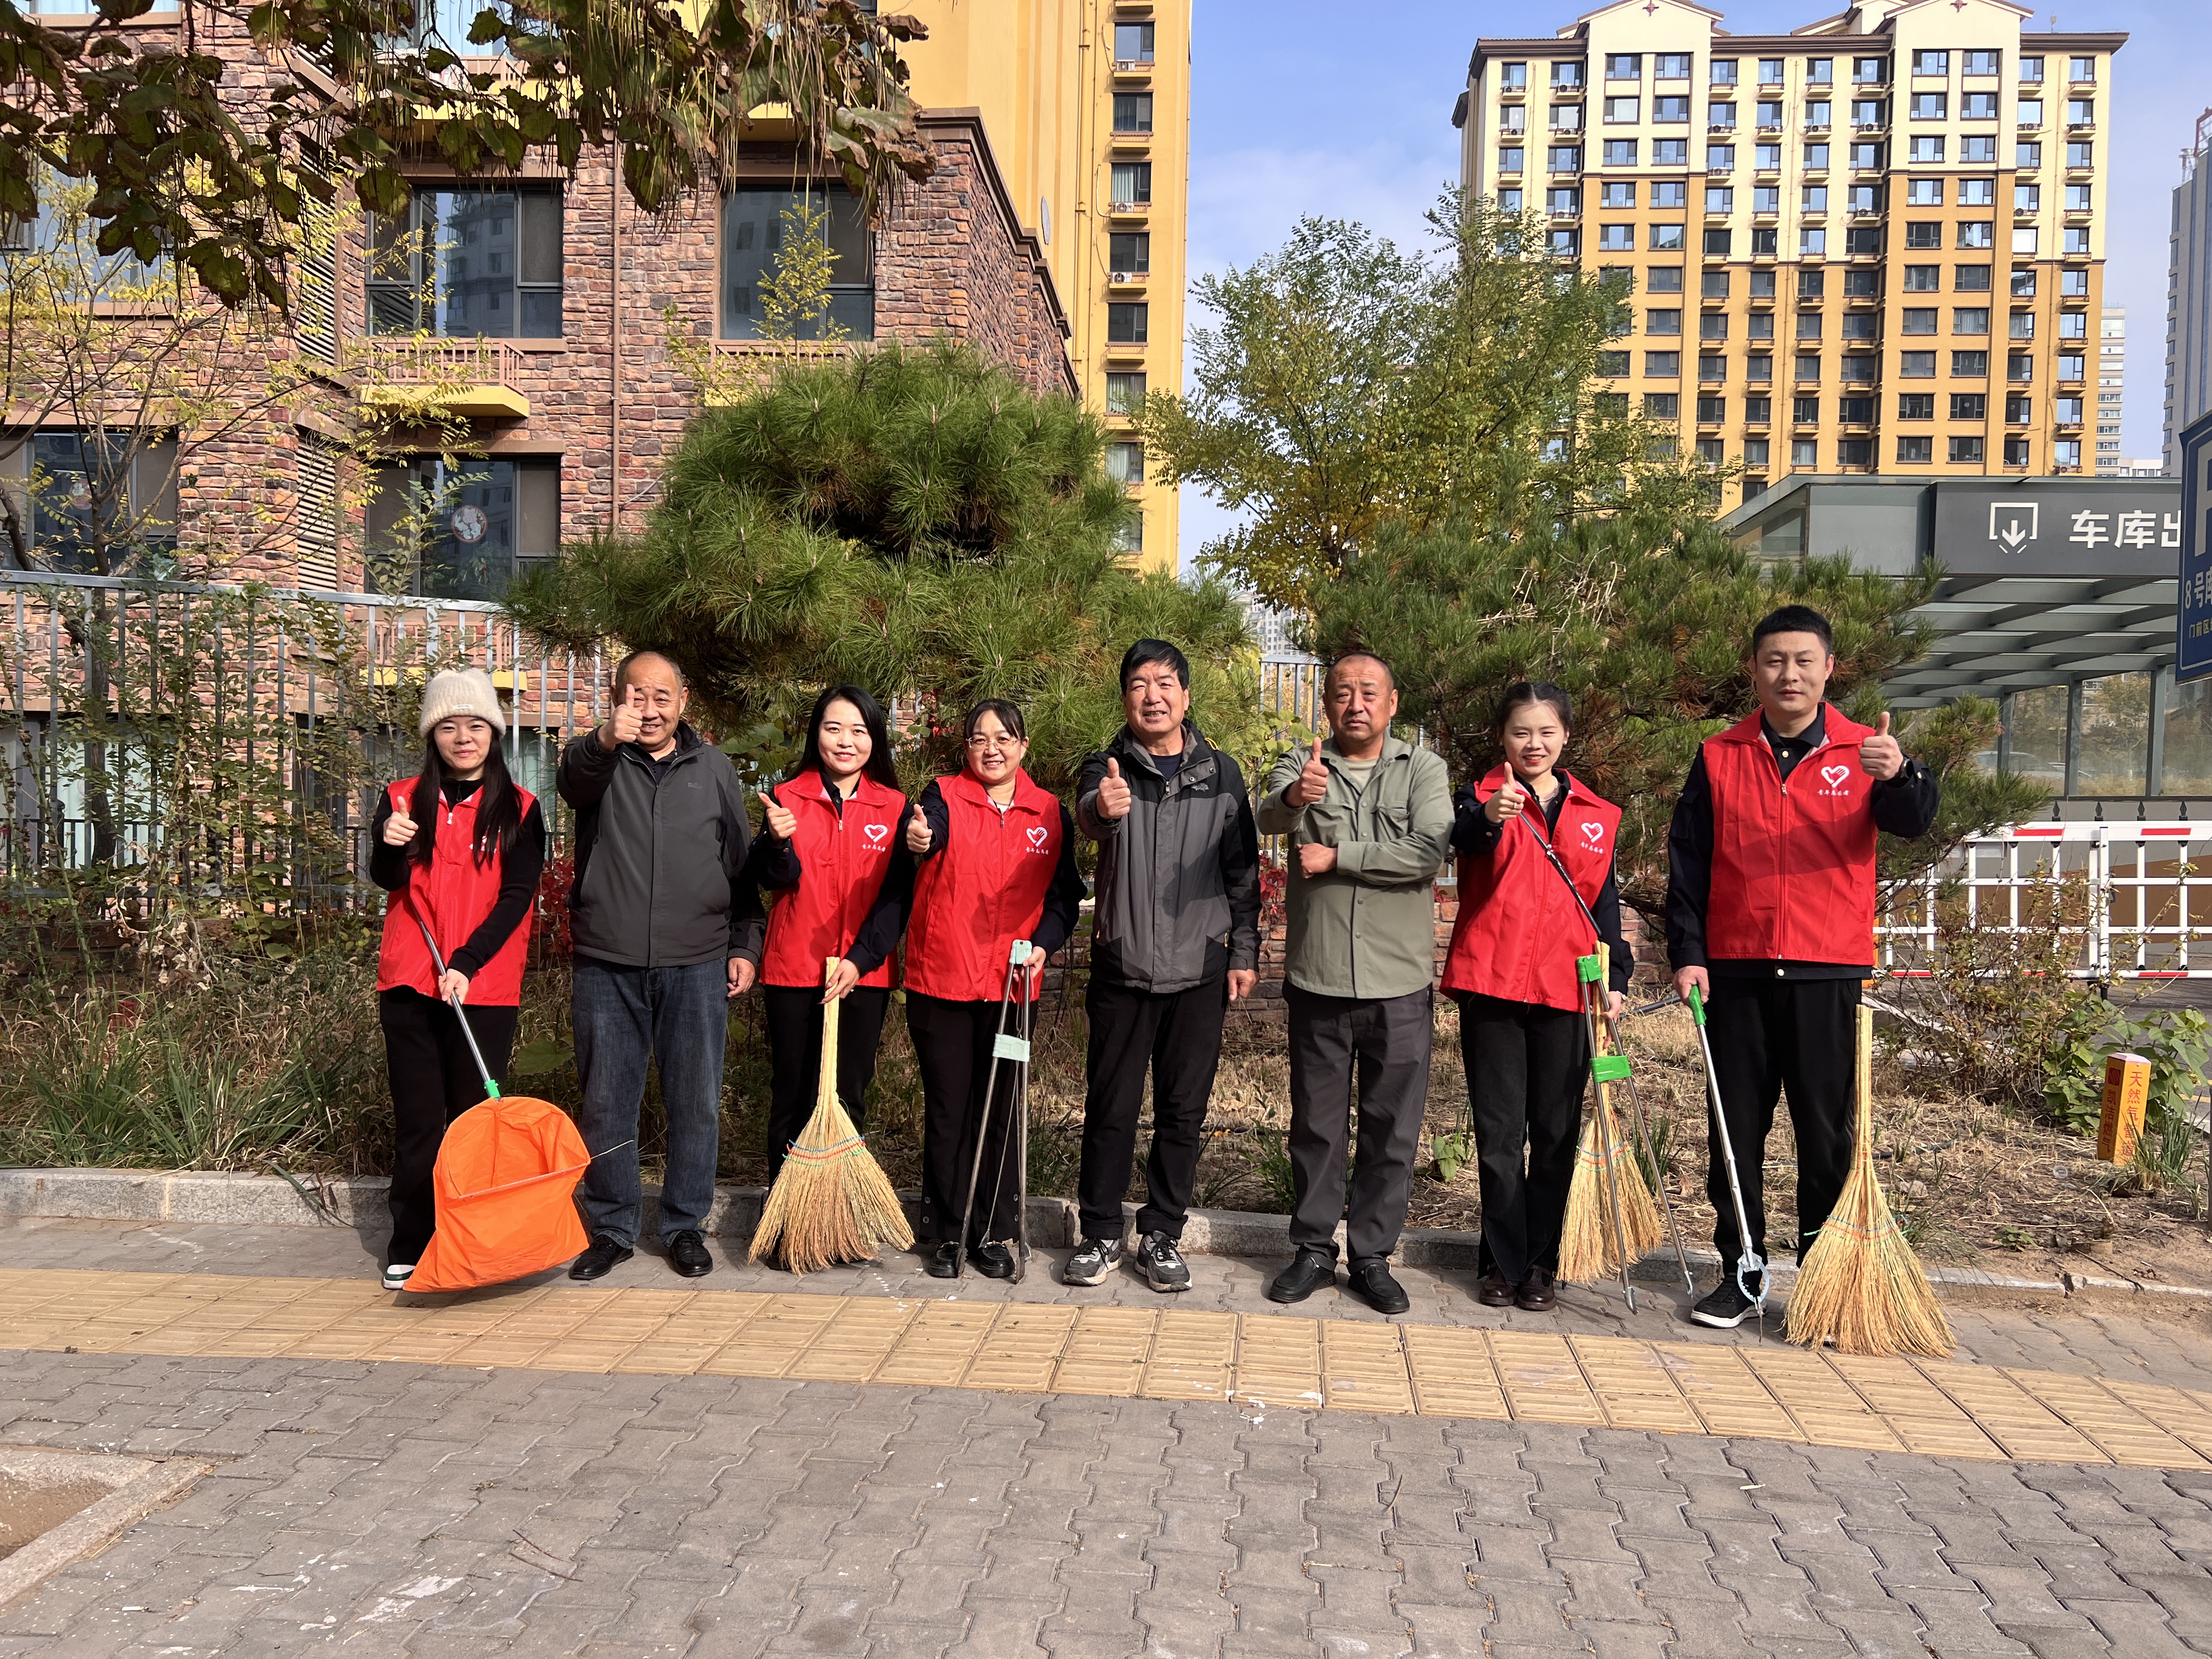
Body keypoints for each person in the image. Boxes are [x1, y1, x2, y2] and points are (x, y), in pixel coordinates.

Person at [1666, 604, 1939, 1329]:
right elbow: (1688, 863)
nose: (1789, 674)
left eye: (1803, 660)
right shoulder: (1719, 755)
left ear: (1829, 669)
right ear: (1755, 670)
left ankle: (1825, 1283)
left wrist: (1903, 774)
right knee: (1735, 1134)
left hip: (1827, 971)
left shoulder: (1865, 751)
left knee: (1825, 1138)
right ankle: (1743, 1275)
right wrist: (1689, 953)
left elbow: (1914, 820)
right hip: (1738, 972)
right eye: (1774, 660)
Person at [1256, 653, 1454, 1314]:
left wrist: (1340, 856)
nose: (1356, 704)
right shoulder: (1303, 763)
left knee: (1391, 1130)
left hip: (1398, 982)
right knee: (1316, 1126)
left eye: (1369, 692)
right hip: (1320, 978)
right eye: (1343, 693)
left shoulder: (1422, 769)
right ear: (1327, 704)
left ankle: (1372, 1256)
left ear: (1392, 703)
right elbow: (1267, 817)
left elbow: (1428, 851)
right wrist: (1296, 796)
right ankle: (1313, 1250)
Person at [558, 650, 764, 1282]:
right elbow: (571, 783)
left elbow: (740, 867)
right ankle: (612, 1228)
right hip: (607, 961)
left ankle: (683, 1227)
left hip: (697, 962)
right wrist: (603, 739)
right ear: (617, 698)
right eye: (636, 696)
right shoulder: (598, 759)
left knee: (695, 1103)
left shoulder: (715, 769)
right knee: (606, 1103)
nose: (649, 709)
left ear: (684, 701)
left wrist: (745, 944)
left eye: (661, 697)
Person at [859, 699, 1082, 1279]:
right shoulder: (943, 795)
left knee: (1000, 1109)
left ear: (1023, 746)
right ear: (966, 749)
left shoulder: (1049, 812)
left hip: (1013, 988)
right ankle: (948, 1231)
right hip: (943, 982)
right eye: (979, 739)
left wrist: (1044, 944)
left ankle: (992, 1232)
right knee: (950, 1108)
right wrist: (920, 838)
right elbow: (928, 834)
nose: (991, 749)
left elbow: (1064, 898)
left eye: (1004, 738)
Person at [1066, 640, 1261, 1292]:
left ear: (1185, 695)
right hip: (1122, 966)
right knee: (1111, 1108)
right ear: (1126, 698)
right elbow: (1089, 816)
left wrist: (1243, 951)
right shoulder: (1107, 767)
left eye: (1165, 683)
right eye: (1139, 685)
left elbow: (1243, 871)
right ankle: (1099, 1232)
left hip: (1200, 969)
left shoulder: (1221, 773)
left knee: (1183, 1112)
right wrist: (1103, 808)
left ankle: (1161, 1234)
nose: (1153, 696)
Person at [1440, 682, 1630, 1314]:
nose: (1534, 743)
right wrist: (1491, 817)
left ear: (1565, 736)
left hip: (1566, 988)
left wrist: (1618, 980)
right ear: (1502, 737)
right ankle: (1501, 1260)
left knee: (1555, 1133)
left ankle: (1542, 1263)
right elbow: (1464, 841)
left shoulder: (1598, 814)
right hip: (1491, 984)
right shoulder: (1479, 801)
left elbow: (1604, 903)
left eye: (1546, 732)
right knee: (1499, 1136)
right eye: (1520, 731)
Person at [369, 668, 546, 1293]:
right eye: (448, 726)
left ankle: (469, 1240)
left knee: (472, 1121)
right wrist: (389, 844)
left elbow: (518, 896)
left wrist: (468, 963)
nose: (463, 737)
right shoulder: (400, 798)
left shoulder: (521, 808)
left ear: (493, 733)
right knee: (420, 1119)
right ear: (432, 735)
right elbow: (387, 879)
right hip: (410, 981)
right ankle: (411, 1242)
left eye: (475, 725)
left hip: (483, 985)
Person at [747, 686, 909, 1210]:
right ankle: (786, 1216)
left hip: (864, 974)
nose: (845, 741)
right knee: (793, 1094)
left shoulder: (895, 806)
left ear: (874, 739)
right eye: (833, 728)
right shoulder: (786, 798)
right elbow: (776, 878)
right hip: (795, 968)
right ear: (816, 734)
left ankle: (836, 1215)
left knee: (848, 1095)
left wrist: (861, 960)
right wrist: (775, 842)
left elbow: (897, 897)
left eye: (859, 731)